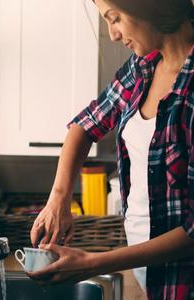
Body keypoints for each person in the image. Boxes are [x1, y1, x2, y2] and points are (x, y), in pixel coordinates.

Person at [29, 0, 194, 299]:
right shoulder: (143, 66)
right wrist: (59, 200)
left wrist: (92, 263)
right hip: (152, 278)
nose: (113, 34)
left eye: (115, 18)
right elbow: (85, 125)